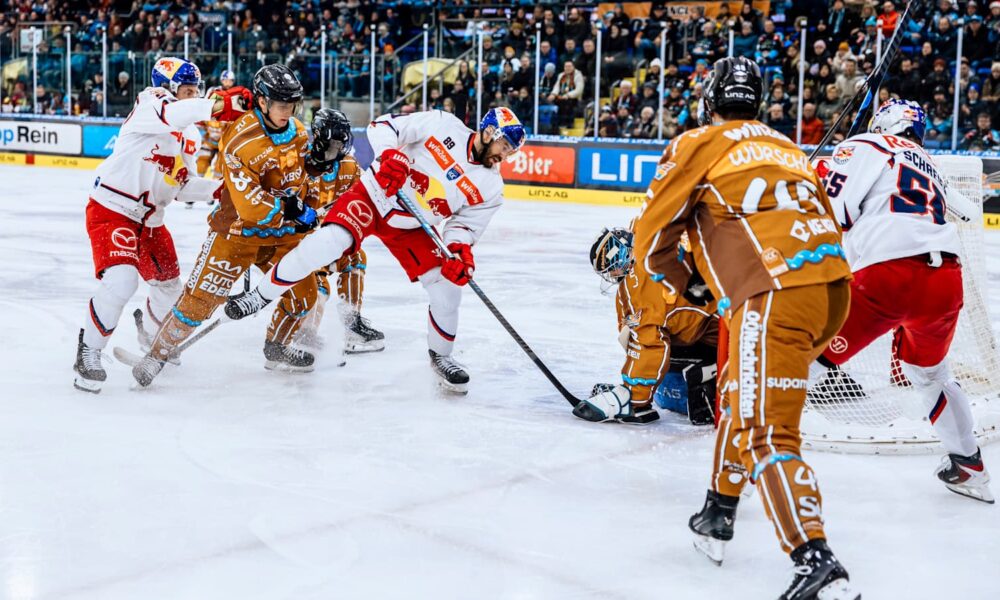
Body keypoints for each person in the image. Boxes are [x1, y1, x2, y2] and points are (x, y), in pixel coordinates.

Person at [632, 57, 856, 599]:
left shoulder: (699, 142)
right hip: (831, 292)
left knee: (766, 429)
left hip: (772, 290)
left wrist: (694, 286)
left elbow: (650, 235)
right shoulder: (788, 148)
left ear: (710, 102)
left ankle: (815, 558)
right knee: (739, 394)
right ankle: (719, 509)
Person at [223, 107, 525, 393]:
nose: (506, 155)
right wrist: (391, 154)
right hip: (374, 195)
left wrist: (459, 249)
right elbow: (383, 126)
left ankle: (441, 356)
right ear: (488, 132)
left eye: (511, 150)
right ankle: (258, 296)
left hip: (413, 225)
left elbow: (465, 225)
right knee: (327, 243)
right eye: (504, 145)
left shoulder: (491, 186)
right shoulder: (443, 124)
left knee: (448, 290)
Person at [811, 99, 994, 504]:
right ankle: (970, 467)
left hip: (887, 276)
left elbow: (834, 212)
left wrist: (821, 171)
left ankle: (752, 445)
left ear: (883, 122)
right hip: (945, 282)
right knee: (931, 376)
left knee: (805, 353)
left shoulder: (866, 146)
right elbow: (962, 212)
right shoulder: (928, 163)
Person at [131, 64, 322, 387]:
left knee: (305, 294)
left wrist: (310, 203)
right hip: (236, 235)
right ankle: (157, 354)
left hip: (281, 237)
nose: (288, 112)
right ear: (261, 102)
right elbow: (250, 208)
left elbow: (304, 181)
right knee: (199, 303)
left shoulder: (299, 133)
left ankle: (276, 347)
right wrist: (289, 209)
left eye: (292, 105)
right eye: (281, 105)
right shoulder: (240, 139)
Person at [73, 57, 252, 392]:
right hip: (113, 209)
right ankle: (88, 353)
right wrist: (219, 104)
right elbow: (175, 113)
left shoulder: (190, 136)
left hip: (152, 221)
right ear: (168, 88)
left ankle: (154, 341)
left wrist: (225, 191)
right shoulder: (150, 103)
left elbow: (181, 185)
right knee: (122, 280)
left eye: (196, 90)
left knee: (169, 284)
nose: (193, 95)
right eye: (186, 89)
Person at [576, 227, 718, 425]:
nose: (614, 274)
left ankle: (635, 397)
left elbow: (647, 340)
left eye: (612, 268)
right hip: (736, 309)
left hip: (734, 326)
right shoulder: (649, 233)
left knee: (648, 333)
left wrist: (633, 396)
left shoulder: (638, 285)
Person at [295, 108, 385, 355]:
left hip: (331, 238)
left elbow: (368, 195)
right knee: (317, 283)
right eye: (334, 141)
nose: (339, 146)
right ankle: (305, 332)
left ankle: (351, 325)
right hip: (299, 243)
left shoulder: (349, 165)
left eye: (341, 142)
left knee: (356, 258)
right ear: (320, 137)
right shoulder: (299, 165)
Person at [195, 69, 237, 182]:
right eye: (225, 80)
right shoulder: (213, 91)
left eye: (230, 80)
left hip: (224, 141)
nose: (227, 83)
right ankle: (197, 183)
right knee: (202, 160)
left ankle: (215, 188)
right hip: (209, 138)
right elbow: (200, 121)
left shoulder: (236, 94)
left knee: (221, 164)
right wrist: (202, 132)